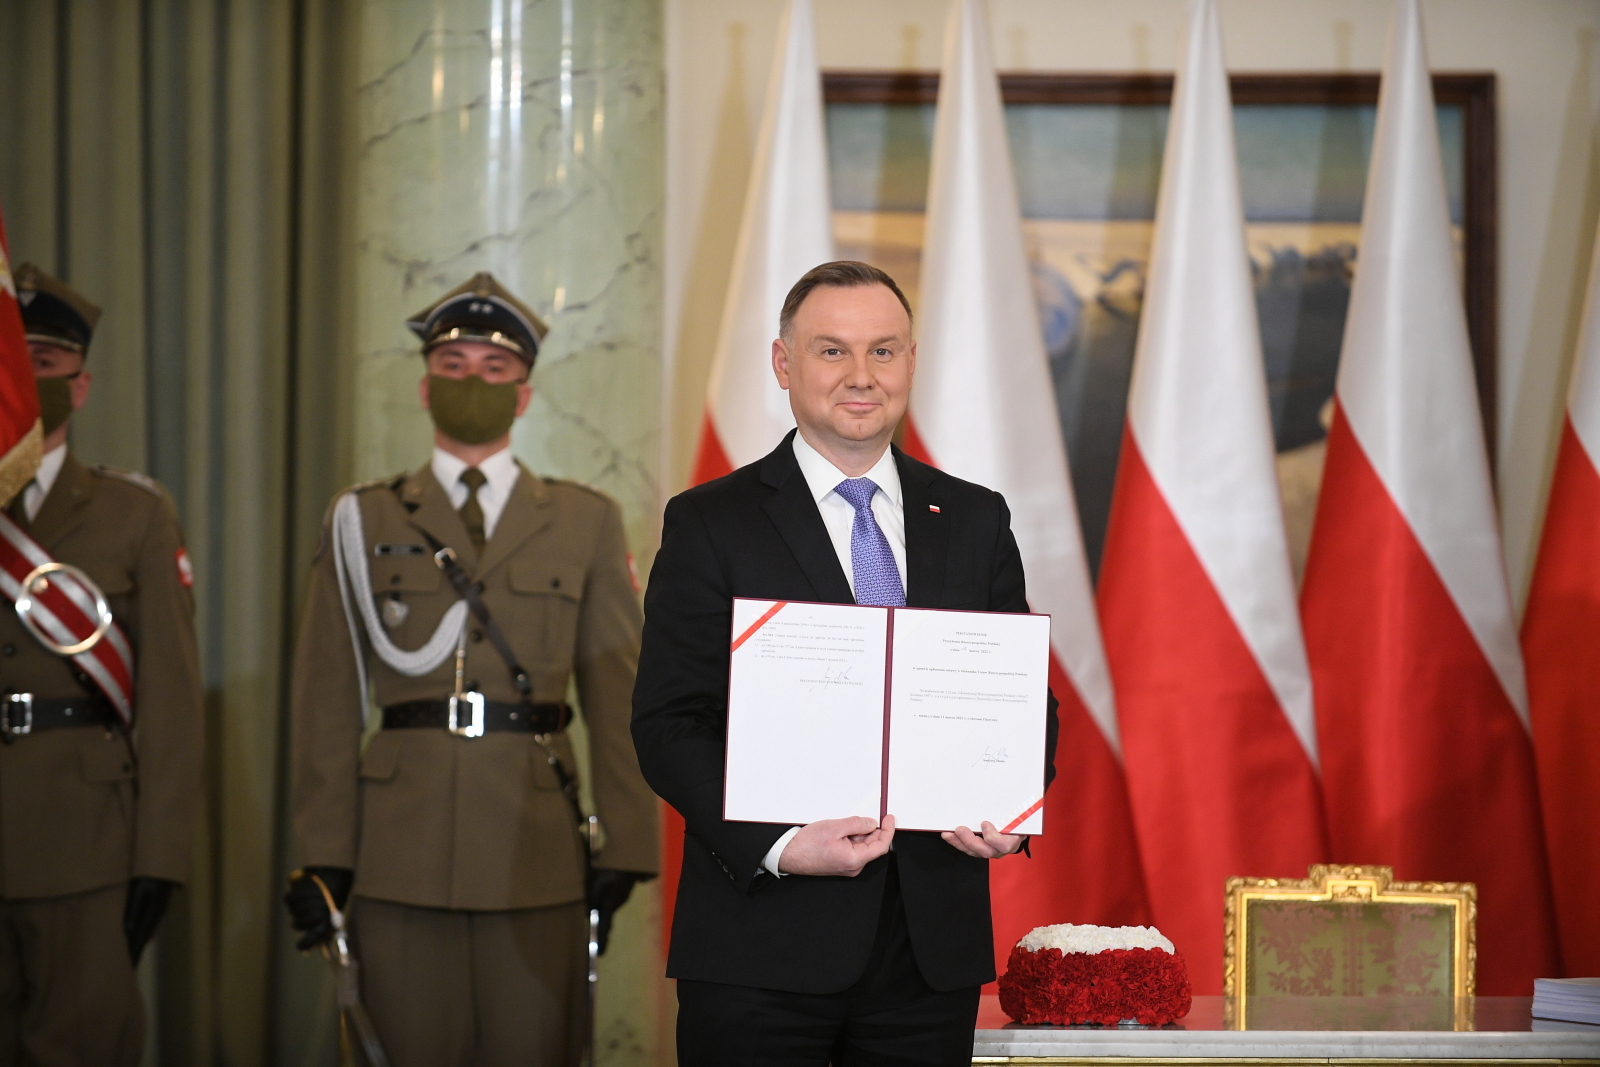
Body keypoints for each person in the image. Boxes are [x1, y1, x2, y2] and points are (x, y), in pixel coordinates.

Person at [632, 260, 1059, 1065]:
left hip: (929, 953)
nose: (862, 376)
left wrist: (1009, 807)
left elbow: (1024, 700)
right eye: (832, 351)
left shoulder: (973, 517)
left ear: (910, 361)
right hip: (761, 946)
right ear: (784, 364)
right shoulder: (710, 522)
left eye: (884, 351)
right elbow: (668, 722)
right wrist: (781, 842)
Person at [284, 271, 658, 1066]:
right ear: (424, 389)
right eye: (453, 366)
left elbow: (617, 689)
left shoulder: (586, 520)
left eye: (495, 370)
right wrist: (323, 852)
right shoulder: (364, 517)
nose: (472, 383)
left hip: (538, 847)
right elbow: (324, 697)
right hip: (398, 847)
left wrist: (625, 841)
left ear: (523, 397)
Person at [0, 264, 204, 1063]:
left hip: (84, 842)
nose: (24, 380)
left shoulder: (134, 512)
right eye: (13, 363)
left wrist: (161, 858)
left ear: (78, 387)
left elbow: (175, 707)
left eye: (42, 365)